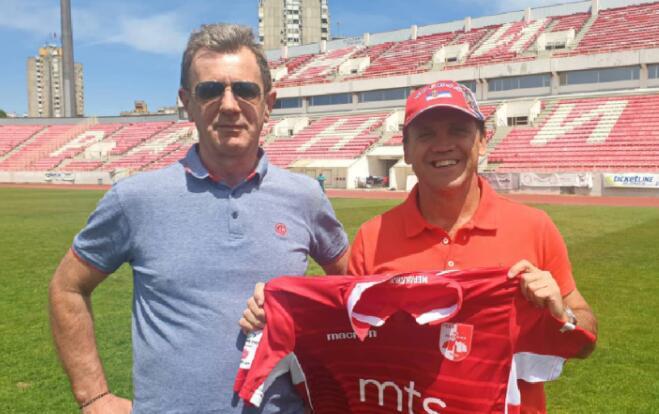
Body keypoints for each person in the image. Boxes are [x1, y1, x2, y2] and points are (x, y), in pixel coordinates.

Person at [48, 23, 349, 414]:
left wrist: (299, 313)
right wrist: (95, 397)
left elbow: (353, 296)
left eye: (245, 90)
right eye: (210, 90)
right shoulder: (136, 198)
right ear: (186, 102)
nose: (229, 105)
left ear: (268, 103)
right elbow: (68, 287)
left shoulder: (305, 196)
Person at [347, 80, 598, 413]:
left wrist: (563, 316)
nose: (442, 145)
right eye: (426, 135)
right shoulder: (372, 237)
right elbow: (346, 346)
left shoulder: (534, 226)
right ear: (406, 150)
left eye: (458, 131)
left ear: (482, 141)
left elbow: (585, 341)